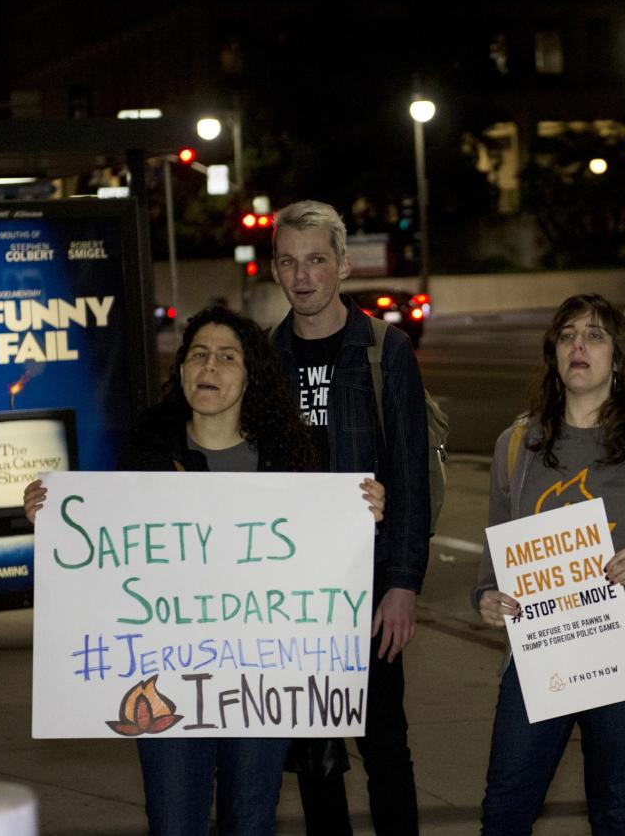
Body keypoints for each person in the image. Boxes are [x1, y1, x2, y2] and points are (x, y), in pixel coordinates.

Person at [24, 305, 385, 836]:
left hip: (262, 681)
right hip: (164, 679)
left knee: (251, 821)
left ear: (250, 374)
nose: (209, 367)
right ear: (182, 370)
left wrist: (362, 514)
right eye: (198, 355)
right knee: (174, 822)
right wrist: (50, 517)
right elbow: (103, 564)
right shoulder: (145, 459)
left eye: (226, 357)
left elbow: (325, 568)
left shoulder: (292, 464)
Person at [473, 293, 625, 835]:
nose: (579, 345)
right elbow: (495, 557)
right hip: (542, 650)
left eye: (595, 335)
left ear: (618, 357)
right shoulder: (517, 446)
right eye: (567, 335)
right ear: (554, 355)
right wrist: (486, 596)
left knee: (614, 810)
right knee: (505, 806)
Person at [269, 200, 429, 835]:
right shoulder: (261, 359)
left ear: (343, 264)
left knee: (385, 746)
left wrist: (403, 586)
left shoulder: (384, 352)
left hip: (369, 588)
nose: (302, 275)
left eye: (315, 260)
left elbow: (411, 476)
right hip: (289, 594)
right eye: (288, 261)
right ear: (274, 269)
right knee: (315, 758)